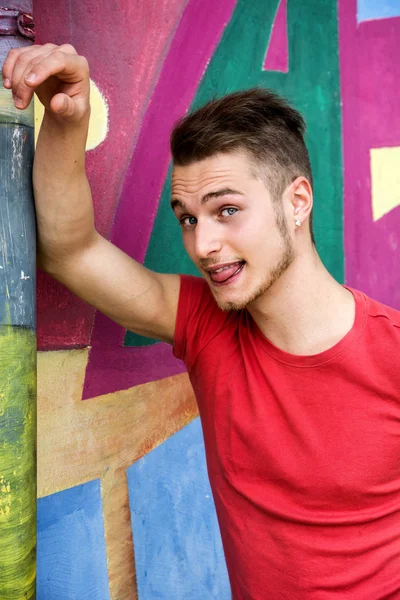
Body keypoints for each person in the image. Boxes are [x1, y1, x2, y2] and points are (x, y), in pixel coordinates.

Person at [3, 45, 400, 599]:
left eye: (227, 210)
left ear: (298, 201)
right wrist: (68, 117)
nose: (203, 244)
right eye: (188, 218)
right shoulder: (205, 324)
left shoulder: (391, 355)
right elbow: (71, 250)